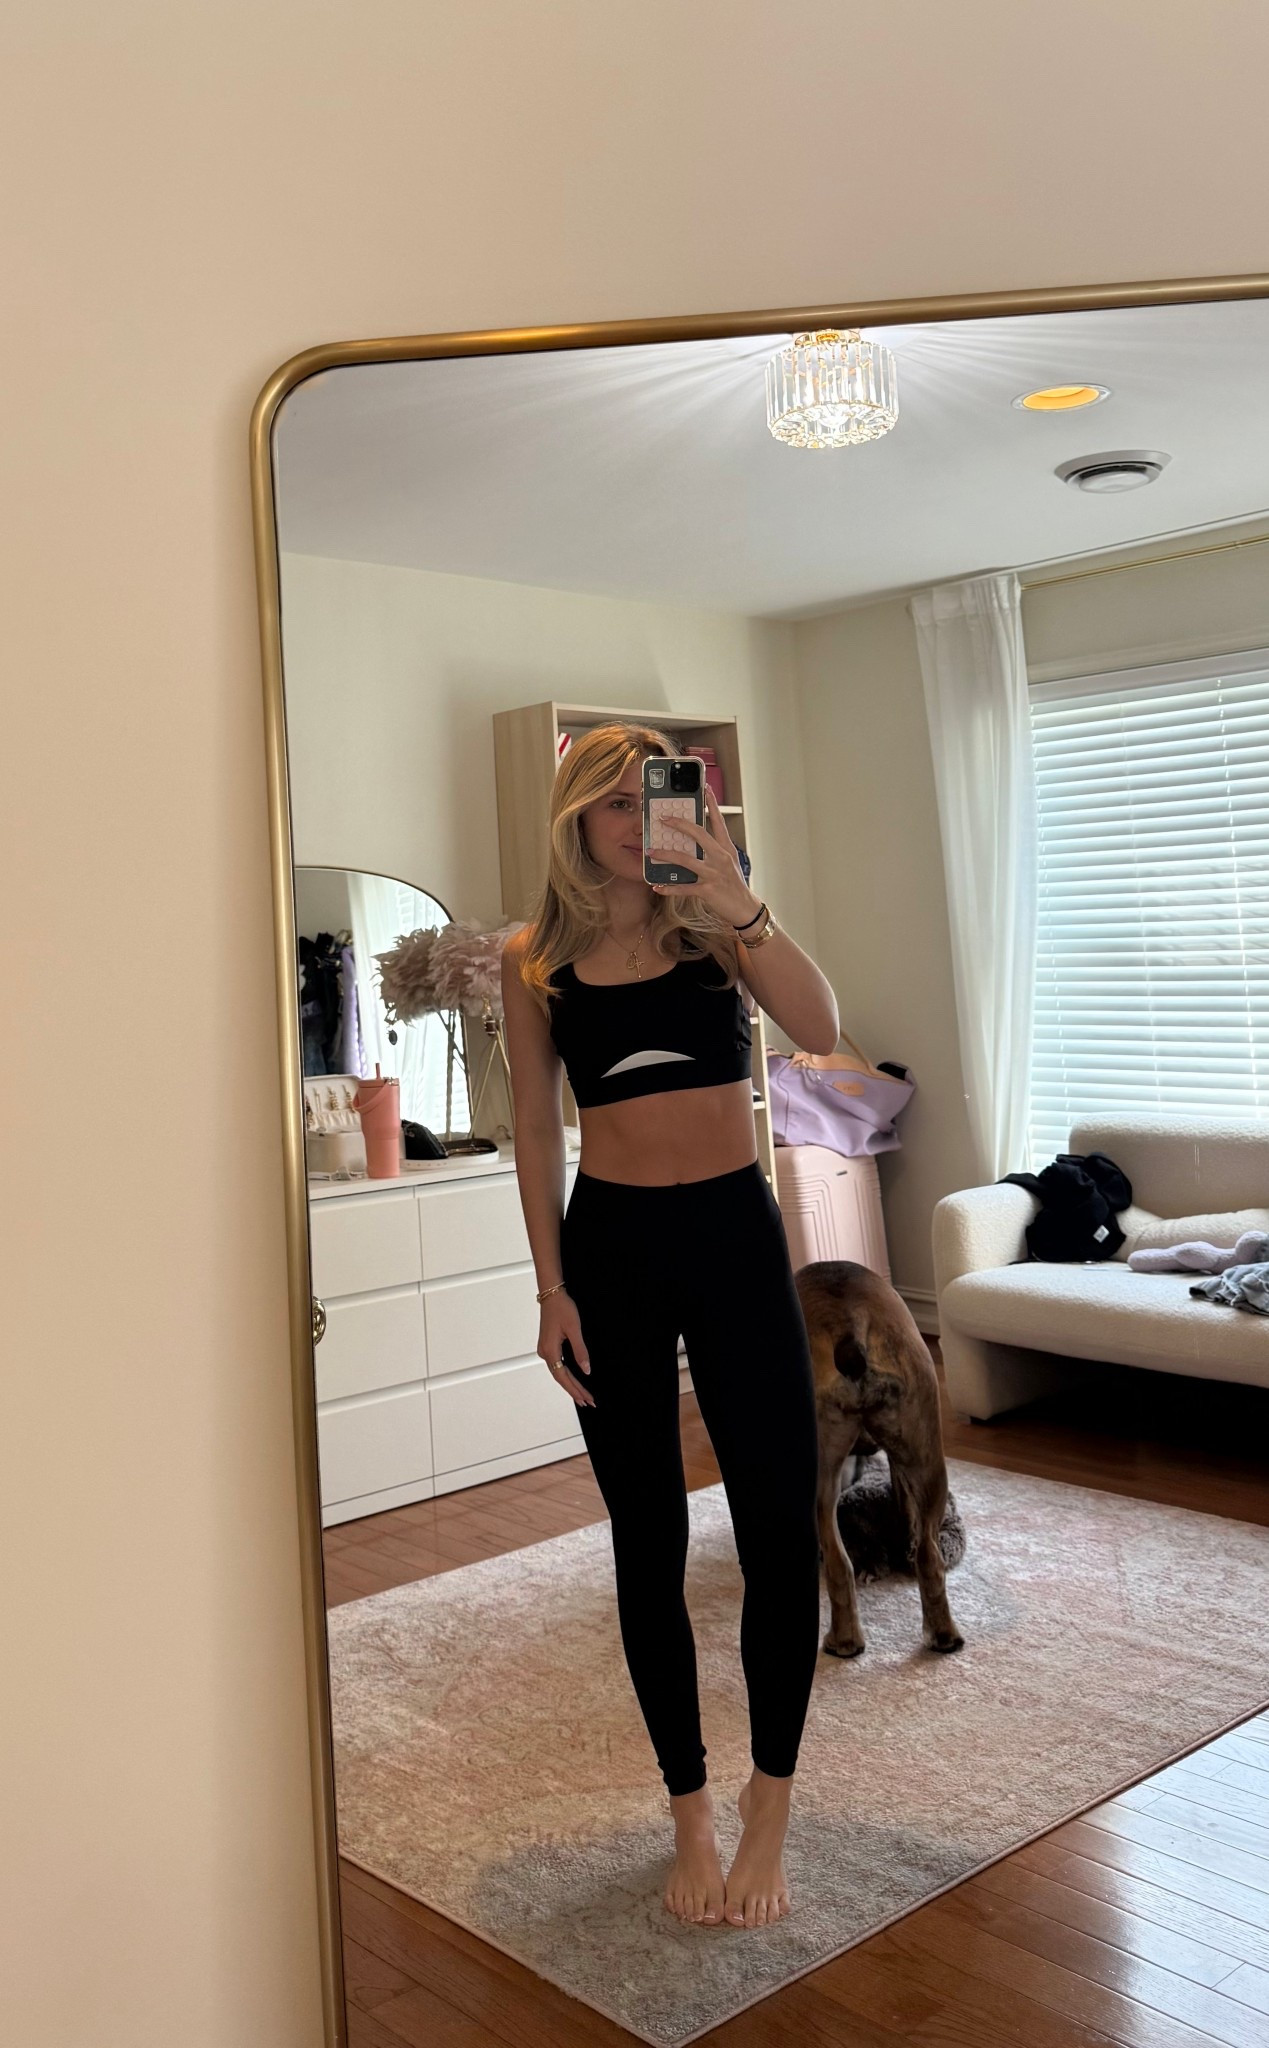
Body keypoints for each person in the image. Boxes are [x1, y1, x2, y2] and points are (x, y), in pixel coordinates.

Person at [500, 721, 839, 1931]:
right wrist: (551, 1288)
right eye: (614, 804)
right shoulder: (534, 958)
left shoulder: (719, 926)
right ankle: (689, 1803)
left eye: (655, 799)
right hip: (614, 1252)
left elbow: (820, 1026)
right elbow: (535, 1127)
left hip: (736, 1240)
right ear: (576, 818)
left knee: (778, 1526)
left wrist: (738, 896)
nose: (638, 824)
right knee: (647, 1538)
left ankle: (770, 1796)